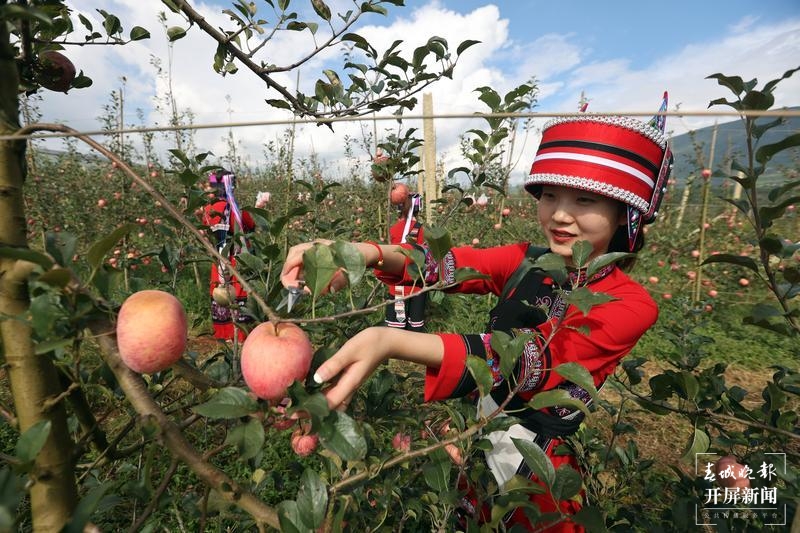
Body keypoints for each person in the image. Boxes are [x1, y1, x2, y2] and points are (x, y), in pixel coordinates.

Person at [280, 105, 672, 530]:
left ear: (625, 216)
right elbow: (443, 264)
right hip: (478, 437)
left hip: (536, 469)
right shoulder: (527, 262)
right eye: (549, 195)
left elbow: (527, 363)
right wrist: (361, 252)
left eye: (584, 199)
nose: (560, 214)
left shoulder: (629, 305)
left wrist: (390, 341)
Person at [203, 169, 256, 342]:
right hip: (235, 258)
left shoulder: (208, 209)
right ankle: (239, 335)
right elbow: (249, 223)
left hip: (217, 258)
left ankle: (222, 334)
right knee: (236, 291)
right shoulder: (233, 208)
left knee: (220, 292)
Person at [385, 185, 427, 332]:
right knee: (415, 326)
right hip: (417, 284)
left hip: (398, 286)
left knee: (397, 324)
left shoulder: (393, 229)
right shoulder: (422, 229)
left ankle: (397, 351)